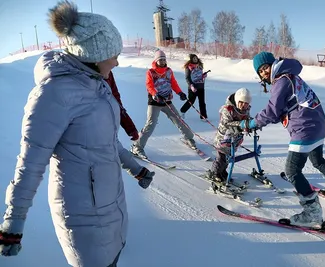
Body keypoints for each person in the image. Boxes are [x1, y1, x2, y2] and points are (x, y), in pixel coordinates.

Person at [0, 1, 154, 266]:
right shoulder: (54, 94)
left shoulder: (99, 86)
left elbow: (108, 142)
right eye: (112, 55)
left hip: (113, 207)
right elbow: (30, 162)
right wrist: (13, 223)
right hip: (83, 218)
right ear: (93, 55)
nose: (117, 62)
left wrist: (135, 168)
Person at [241, 51, 325, 227]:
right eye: (260, 71)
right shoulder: (289, 76)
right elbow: (279, 111)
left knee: (292, 170)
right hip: (318, 125)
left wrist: (252, 123)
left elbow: (272, 112)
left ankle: (312, 213)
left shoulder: (281, 80)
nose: (264, 73)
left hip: (305, 128)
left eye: (265, 67)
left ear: (273, 64)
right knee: (317, 159)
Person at [130, 50, 196, 159]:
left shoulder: (169, 71)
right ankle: (137, 147)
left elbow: (173, 83)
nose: (162, 61)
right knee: (150, 124)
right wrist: (155, 94)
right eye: (160, 60)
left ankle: (189, 138)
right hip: (155, 102)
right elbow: (149, 86)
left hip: (167, 101)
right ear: (156, 61)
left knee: (178, 119)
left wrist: (180, 92)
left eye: (164, 59)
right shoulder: (150, 72)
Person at [205, 88, 252, 182]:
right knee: (221, 157)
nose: (244, 105)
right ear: (237, 100)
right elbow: (227, 123)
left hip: (235, 138)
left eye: (246, 103)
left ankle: (222, 171)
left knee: (229, 157)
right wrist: (241, 125)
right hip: (224, 138)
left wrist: (250, 125)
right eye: (241, 102)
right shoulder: (227, 109)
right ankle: (215, 173)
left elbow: (246, 119)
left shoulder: (246, 110)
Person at [106, 71, 139, 141]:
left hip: (110, 134)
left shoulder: (108, 72)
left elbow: (116, 102)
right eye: (114, 59)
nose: (116, 64)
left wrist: (130, 128)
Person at [180, 54, 208, 120]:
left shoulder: (200, 66)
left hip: (201, 86)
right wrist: (191, 85)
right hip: (193, 87)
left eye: (196, 58)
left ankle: (203, 116)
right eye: (193, 58)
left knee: (202, 102)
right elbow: (187, 78)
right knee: (191, 101)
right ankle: (182, 110)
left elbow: (200, 75)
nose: (195, 59)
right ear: (191, 59)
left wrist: (203, 75)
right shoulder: (188, 67)